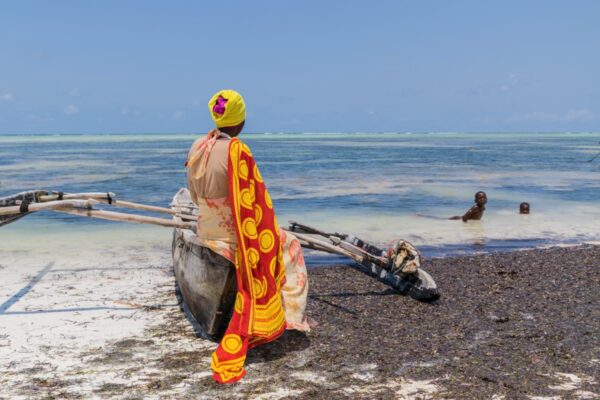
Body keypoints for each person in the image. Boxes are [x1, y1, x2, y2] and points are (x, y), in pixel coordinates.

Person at [185, 90, 310, 384]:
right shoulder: (237, 150)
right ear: (239, 119)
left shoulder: (198, 145)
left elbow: (192, 194)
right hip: (232, 235)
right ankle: (290, 318)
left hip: (206, 228)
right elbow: (255, 201)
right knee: (290, 244)